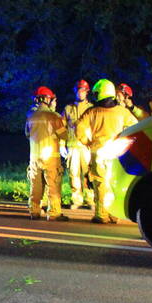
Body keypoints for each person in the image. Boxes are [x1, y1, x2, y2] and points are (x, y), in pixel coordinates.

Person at [76, 79, 137, 224]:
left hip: (98, 152)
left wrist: (87, 142)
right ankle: (114, 215)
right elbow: (135, 127)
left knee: (100, 183)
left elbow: (78, 129)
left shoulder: (91, 112)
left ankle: (101, 214)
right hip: (116, 153)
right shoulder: (122, 112)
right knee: (114, 183)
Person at [25, 86, 69, 221]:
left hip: (34, 157)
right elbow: (65, 135)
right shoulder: (53, 116)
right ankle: (54, 213)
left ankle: (34, 211)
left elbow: (27, 134)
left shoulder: (30, 117)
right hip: (51, 158)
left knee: (35, 186)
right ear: (47, 99)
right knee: (53, 185)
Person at [62, 79, 94, 211]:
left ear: (87, 92)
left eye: (83, 91)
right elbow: (62, 127)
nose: (80, 93)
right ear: (75, 91)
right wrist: (61, 144)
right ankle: (77, 199)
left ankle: (90, 199)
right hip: (72, 147)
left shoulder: (92, 108)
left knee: (88, 174)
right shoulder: (68, 108)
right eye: (78, 90)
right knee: (73, 174)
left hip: (87, 146)